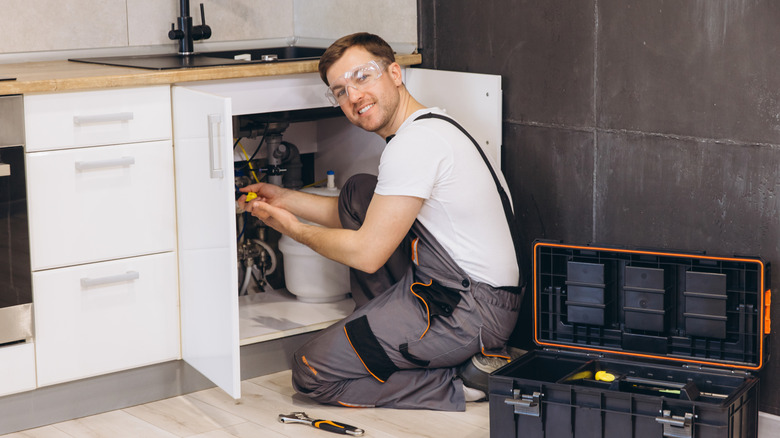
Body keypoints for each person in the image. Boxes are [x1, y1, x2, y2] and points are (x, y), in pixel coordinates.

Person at [239, 32, 523, 411]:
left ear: (394, 73)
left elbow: (368, 254)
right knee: (358, 194)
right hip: (465, 293)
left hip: (469, 310)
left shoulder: (414, 145)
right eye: (339, 91)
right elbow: (370, 218)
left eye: (362, 77)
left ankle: (464, 382)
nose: (353, 96)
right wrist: (286, 199)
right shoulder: (431, 126)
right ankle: (386, 337)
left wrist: (291, 229)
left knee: (311, 371)